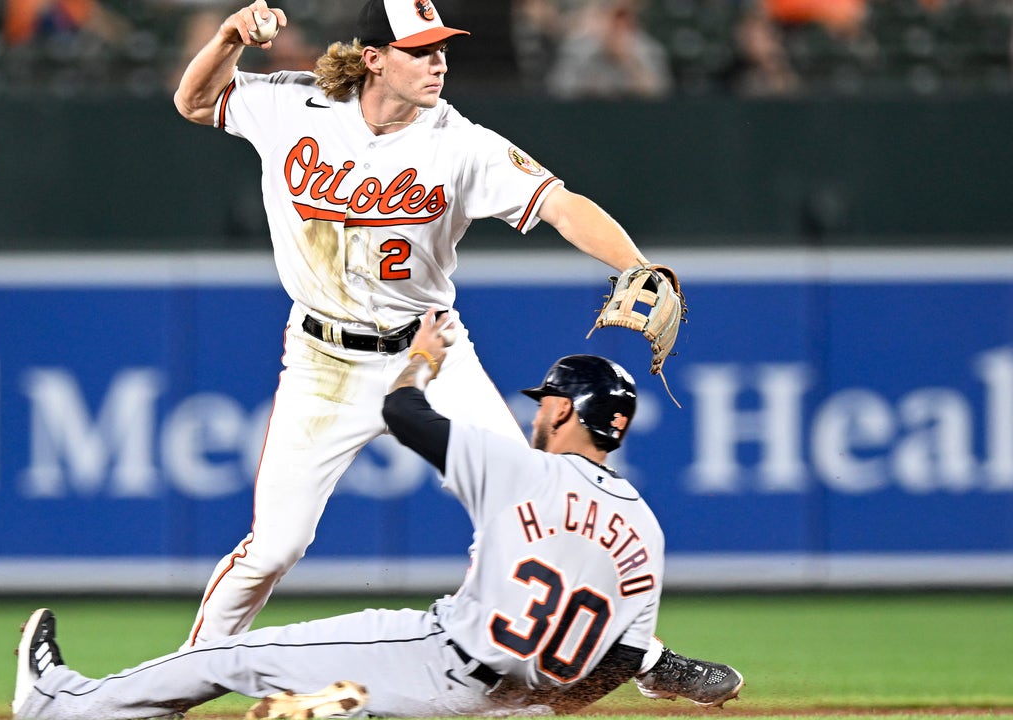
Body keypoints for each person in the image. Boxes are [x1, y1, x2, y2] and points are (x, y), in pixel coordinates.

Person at [169, 1, 736, 706]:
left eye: (443, 48)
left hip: (430, 350)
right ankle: (174, 683)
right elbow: (194, 101)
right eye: (419, 49)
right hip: (322, 359)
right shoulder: (293, 104)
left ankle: (640, 656)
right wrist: (227, 38)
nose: (438, 61)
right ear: (374, 57)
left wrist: (636, 264)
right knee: (274, 548)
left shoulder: (460, 142)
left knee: (539, 505)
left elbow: (560, 202)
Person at [10, 324, 744, 719]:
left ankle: (56, 705)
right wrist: (534, 707)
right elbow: (617, 663)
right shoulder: (645, 527)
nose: (533, 412)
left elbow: (401, 414)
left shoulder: (522, 468)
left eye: (541, 403)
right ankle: (350, 712)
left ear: (558, 411)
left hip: (436, 659)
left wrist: (420, 360)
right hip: (512, 705)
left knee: (227, 658)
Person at [545, 0, 672, 100]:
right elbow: (559, 90)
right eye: (614, 19)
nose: (618, 26)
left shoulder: (649, 49)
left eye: (624, 19)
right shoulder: (577, 49)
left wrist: (629, 62)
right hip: (585, 120)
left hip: (637, 121)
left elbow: (661, 94)